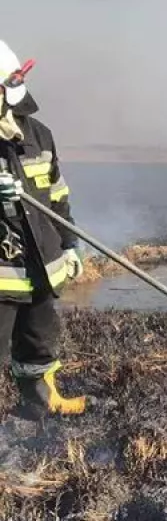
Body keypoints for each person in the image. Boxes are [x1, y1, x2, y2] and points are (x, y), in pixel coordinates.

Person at [0, 39, 89, 418]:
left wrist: (69, 243)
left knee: (38, 341)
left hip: (41, 266)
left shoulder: (38, 136)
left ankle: (41, 403)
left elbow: (57, 196)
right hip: (3, 273)